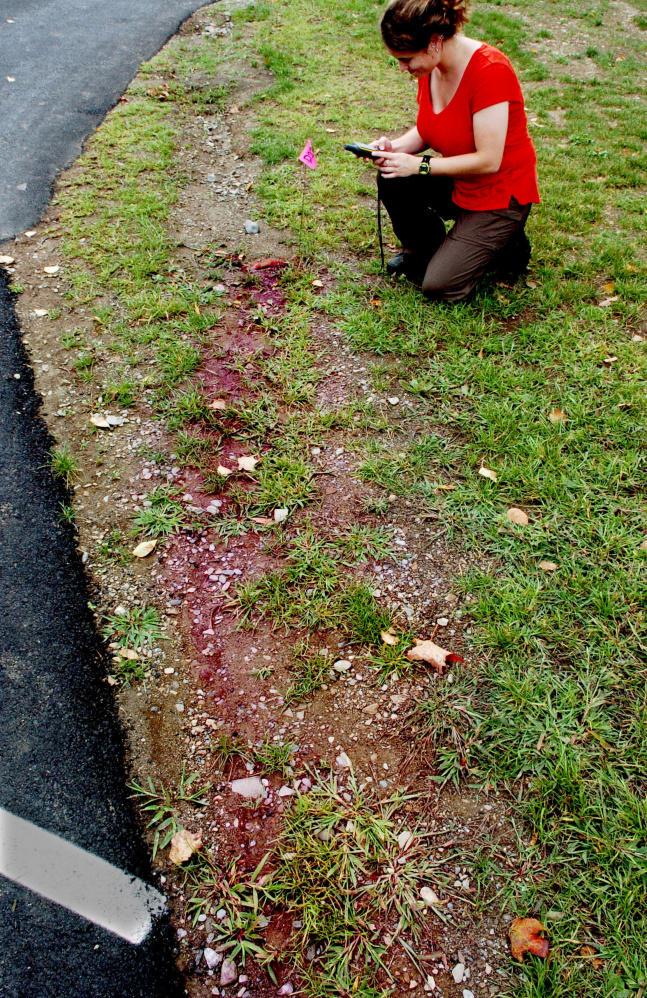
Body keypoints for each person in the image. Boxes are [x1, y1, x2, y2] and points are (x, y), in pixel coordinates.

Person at [370, 0, 540, 302]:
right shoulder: (432, 67)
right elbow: (429, 128)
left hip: (499, 195)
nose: (402, 68)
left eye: (407, 59)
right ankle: (426, 251)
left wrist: (419, 166)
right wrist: (394, 149)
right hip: (461, 181)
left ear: (434, 43)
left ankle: (509, 243)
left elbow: (489, 160)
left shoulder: (490, 72)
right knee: (392, 175)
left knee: (440, 287)